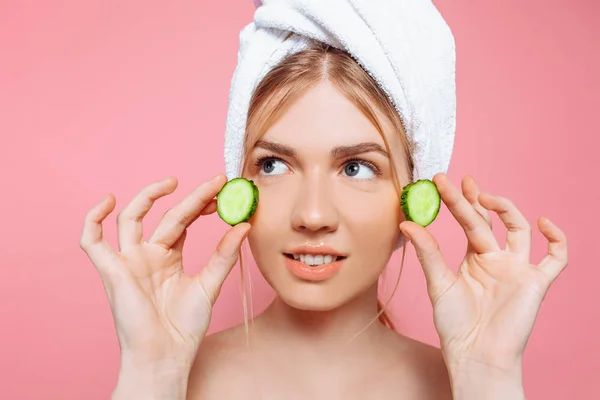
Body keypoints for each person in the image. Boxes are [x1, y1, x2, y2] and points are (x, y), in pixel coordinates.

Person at [79, 2, 569, 400]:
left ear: (414, 194)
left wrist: (491, 379)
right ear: (239, 184)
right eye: (274, 165)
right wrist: (150, 374)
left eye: (357, 167)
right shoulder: (169, 380)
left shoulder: (468, 386)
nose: (312, 215)